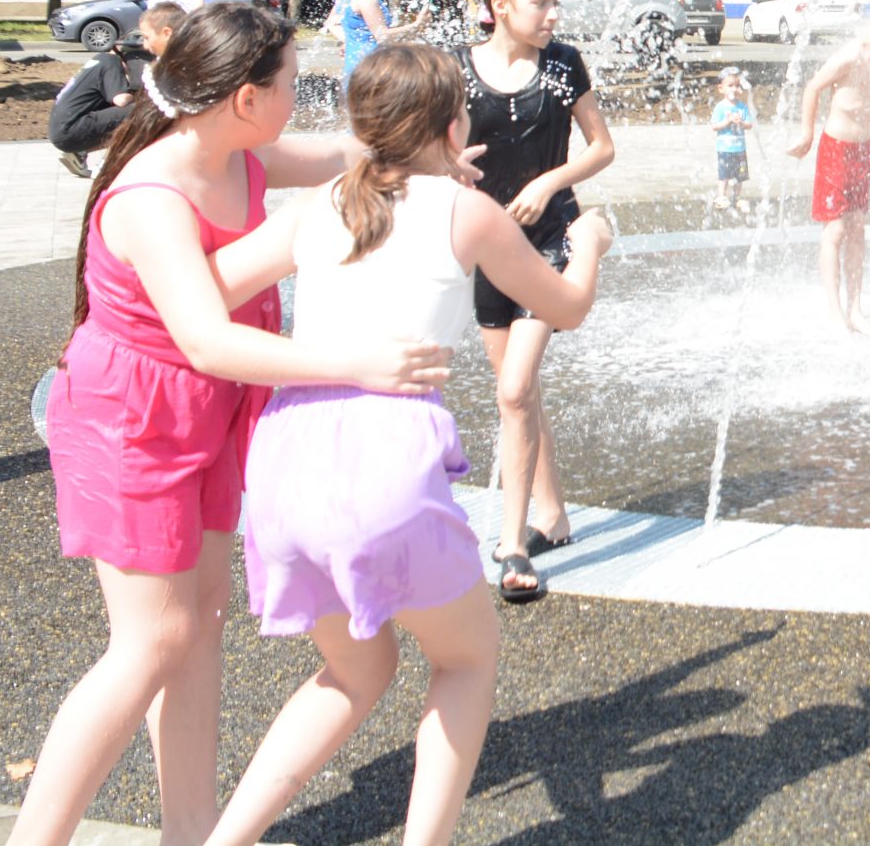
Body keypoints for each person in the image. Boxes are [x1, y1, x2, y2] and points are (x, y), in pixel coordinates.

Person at [10, 4, 453, 846]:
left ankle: (191, 830)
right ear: (246, 98)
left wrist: (432, 153)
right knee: (151, 640)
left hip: (209, 409)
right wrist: (358, 364)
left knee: (198, 623)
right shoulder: (153, 194)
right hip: (133, 418)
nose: (300, 95)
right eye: (291, 83)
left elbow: (347, 154)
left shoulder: (238, 153)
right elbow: (207, 340)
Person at [194, 44, 611, 846]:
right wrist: (588, 239)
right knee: (466, 659)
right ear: (454, 126)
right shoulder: (467, 212)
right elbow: (566, 304)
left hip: (285, 465)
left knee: (357, 668)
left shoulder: (322, 205)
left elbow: (207, 285)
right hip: (383, 460)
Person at [461, 0, 615, 603]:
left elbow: (602, 146)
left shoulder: (563, 64)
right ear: (500, 6)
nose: (553, 15)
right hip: (488, 247)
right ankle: (552, 513)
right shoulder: (456, 70)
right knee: (518, 395)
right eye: (540, 3)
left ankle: (513, 542)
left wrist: (549, 182)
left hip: (550, 239)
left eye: (556, 2)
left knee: (516, 389)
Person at [788, 25, 870, 331]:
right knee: (835, 230)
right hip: (836, 149)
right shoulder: (849, 56)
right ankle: (835, 312)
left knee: (858, 228)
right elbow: (812, 88)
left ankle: (855, 310)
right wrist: (807, 133)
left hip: (863, 149)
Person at [50, 4, 187, 179]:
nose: (146, 46)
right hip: (70, 130)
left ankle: (83, 152)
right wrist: (140, 96)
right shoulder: (110, 62)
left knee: (129, 113)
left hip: (62, 127)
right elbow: (120, 100)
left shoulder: (97, 62)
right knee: (141, 111)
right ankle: (107, 165)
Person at [711, 67, 755, 211]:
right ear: (721, 89)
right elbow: (714, 126)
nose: (734, 89)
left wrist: (741, 123)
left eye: (737, 85)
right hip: (725, 148)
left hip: (739, 148)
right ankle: (721, 196)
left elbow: (749, 125)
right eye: (730, 85)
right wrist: (728, 121)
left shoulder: (742, 107)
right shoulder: (720, 107)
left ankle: (736, 198)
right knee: (724, 175)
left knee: (739, 175)